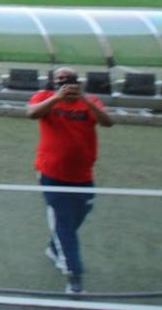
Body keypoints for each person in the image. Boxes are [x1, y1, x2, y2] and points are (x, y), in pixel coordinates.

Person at [27, 66, 113, 295]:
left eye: (69, 78)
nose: (65, 82)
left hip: (83, 175)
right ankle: (74, 276)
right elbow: (32, 113)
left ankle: (54, 249)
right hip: (51, 174)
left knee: (77, 218)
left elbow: (107, 122)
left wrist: (84, 97)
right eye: (59, 79)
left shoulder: (89, 100)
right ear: (52, 82)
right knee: (64, 224)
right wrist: (57, 97)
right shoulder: (45, 97)